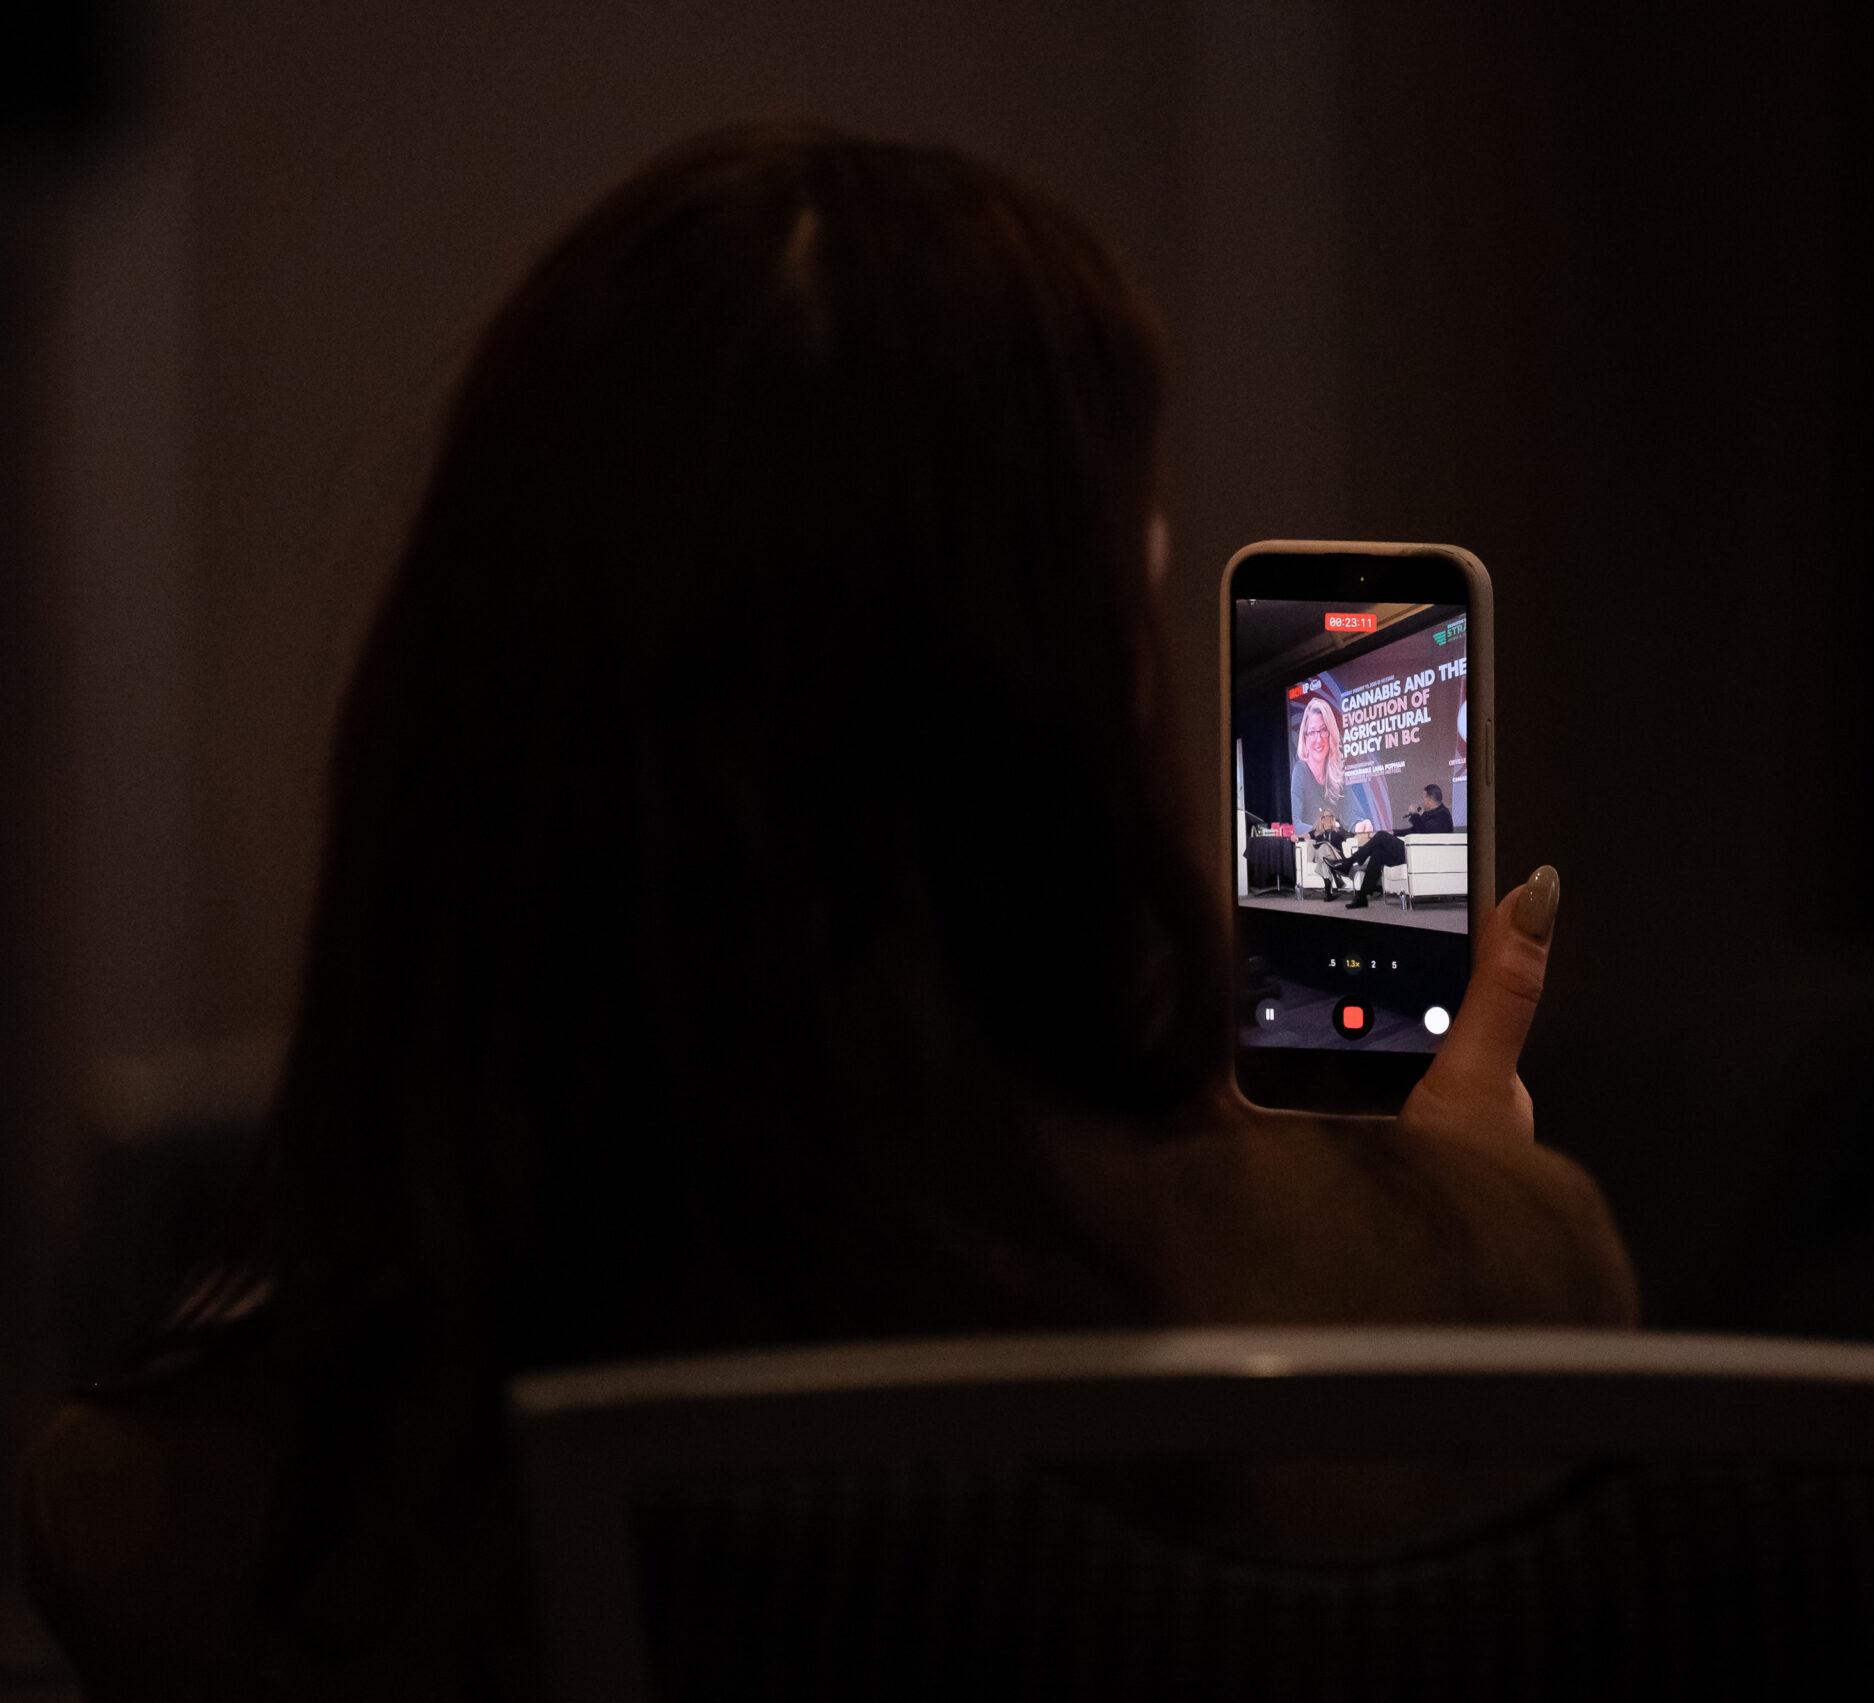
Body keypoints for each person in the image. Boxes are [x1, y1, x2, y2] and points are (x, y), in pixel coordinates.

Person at [18, 125, 1632, 1700]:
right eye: (1131, 611)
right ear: (1050, 717)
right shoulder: (1443, 1293)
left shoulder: (172, 1514)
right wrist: (1437, 1212)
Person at [1288, 689, 1349, 832]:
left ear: (1331, 733)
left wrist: (1360, 823)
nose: (1318, 739)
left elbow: (1353, 815)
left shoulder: (1337, 773)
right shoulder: (1300, 770)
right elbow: (1295, 825)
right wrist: (1323, 831)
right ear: (1305, 737)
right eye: (1312, 732)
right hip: (1314, 844)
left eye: (1323, 730)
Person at [1338, 825, 1408, 909]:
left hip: (1414, 852)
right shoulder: (1421, 818)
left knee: (1381, 835)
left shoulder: (1421, 818)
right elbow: (1412, 829)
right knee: (1377, 853)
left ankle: (1349, 862)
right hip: (1408, 850)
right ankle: (1362, 896)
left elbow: (1421, 830)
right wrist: (1393, 832)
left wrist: (1414, 815)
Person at [1305, 806, 1351, 898]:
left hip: (1336, 858)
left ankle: (1328, 888)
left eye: (1330, 816)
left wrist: (1368, 835)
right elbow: (1304, 836)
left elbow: (1352, 836)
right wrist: (1295, 837)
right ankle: (1332, 881)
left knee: (1324, 846)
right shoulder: (1316, 833)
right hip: (1323, 860)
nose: (1327, 819)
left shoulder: (1339, 831)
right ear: (1321, 820)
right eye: (1325, 817)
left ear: (1332, 818)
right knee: (1322, 852)